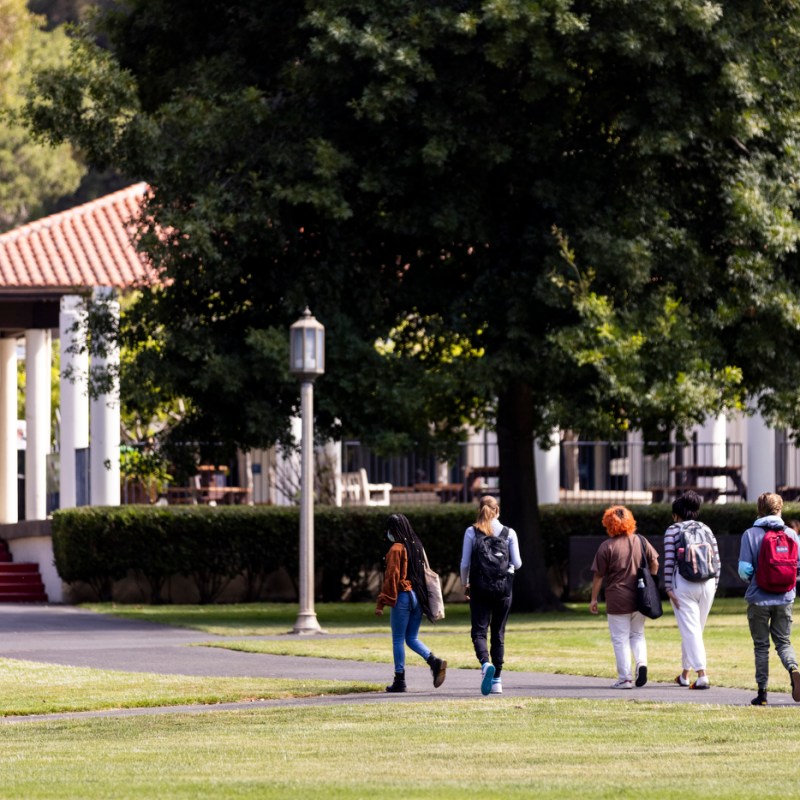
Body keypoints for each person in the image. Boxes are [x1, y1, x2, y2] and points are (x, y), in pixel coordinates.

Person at [738, 492, 800, 706]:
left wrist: (755, 577)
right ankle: (793, 668)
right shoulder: (791, 535)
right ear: (779, 509)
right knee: (783, 642)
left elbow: (744, 570)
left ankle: (762, 693)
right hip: (785, 597)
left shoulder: (750, 534)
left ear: (760, 509)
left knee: (761, 646)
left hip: (758, 598)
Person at [375, 513, 447, 693]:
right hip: (418, 597)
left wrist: (382, 600)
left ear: (393, 530)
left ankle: (399, 679)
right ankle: (434, 661)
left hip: (403, 597)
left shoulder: (396, 549)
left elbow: (391, 578)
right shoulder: (417, 545)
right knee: (411, 638)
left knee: (398, 639)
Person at [590, 505, 659, 689]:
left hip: (616, 598)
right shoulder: (640, 540)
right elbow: (655, 562)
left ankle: (625, 678)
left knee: (620, 638)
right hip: (640, 597)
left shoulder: (607, 547)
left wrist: (594, 599)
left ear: (609, 524)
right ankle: (641, 663)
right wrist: (650, 582)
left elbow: (598, 575)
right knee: (637, 634)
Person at [460, 495, 522, 695]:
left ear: (480, 509)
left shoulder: (472, 532)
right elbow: (518, 563)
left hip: (479, 587)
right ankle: (497, 680)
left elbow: (464, 563)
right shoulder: (509, 532)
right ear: (498, 511)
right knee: (498, 632)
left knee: (479, 631)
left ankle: (485, 664)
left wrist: (465, 583)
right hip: (503, 588)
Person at [663, 491, 720, 689]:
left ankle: (702, 674)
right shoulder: (706, 528)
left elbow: (669, 561)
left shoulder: (673, 530)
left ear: (676, 514)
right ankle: (685, 674)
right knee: (695, 630)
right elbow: (716, 559)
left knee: (690, 630)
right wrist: (715, 584)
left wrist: (668, 588)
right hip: (708, 583)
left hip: (683, 583)